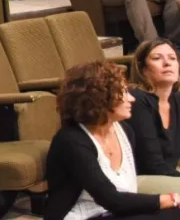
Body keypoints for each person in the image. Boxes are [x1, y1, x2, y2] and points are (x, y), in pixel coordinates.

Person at [45, 60, 180, 220]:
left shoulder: (125, 131)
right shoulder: (71, 140)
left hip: (117, 213)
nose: (132, 99)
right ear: (99, 98)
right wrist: (169, 199)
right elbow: (111, 199)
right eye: (123, 93)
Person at [127, 39, 180, 194]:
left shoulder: (176, 99)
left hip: (167, 174)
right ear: (143, 69)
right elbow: (151, 164)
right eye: (157, 58)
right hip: (140, 178)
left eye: (172, 58)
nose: (167, 63)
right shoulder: (137, 100)